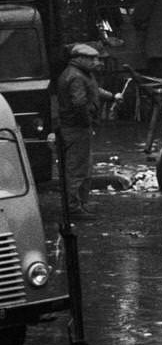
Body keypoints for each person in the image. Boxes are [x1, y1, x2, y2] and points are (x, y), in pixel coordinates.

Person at [55, 43, 116, 219]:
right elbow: (79, 103)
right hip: (76, 128)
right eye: (92, 59)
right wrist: (87, 122)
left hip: (77, 127)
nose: (96, 62)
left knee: (82, 167)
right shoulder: (76, 77)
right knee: (77, 169)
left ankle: (80, 203)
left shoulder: (81, 74)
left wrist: (112, 96)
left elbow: (94, 91)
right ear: (80, 59)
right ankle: (74, 208)